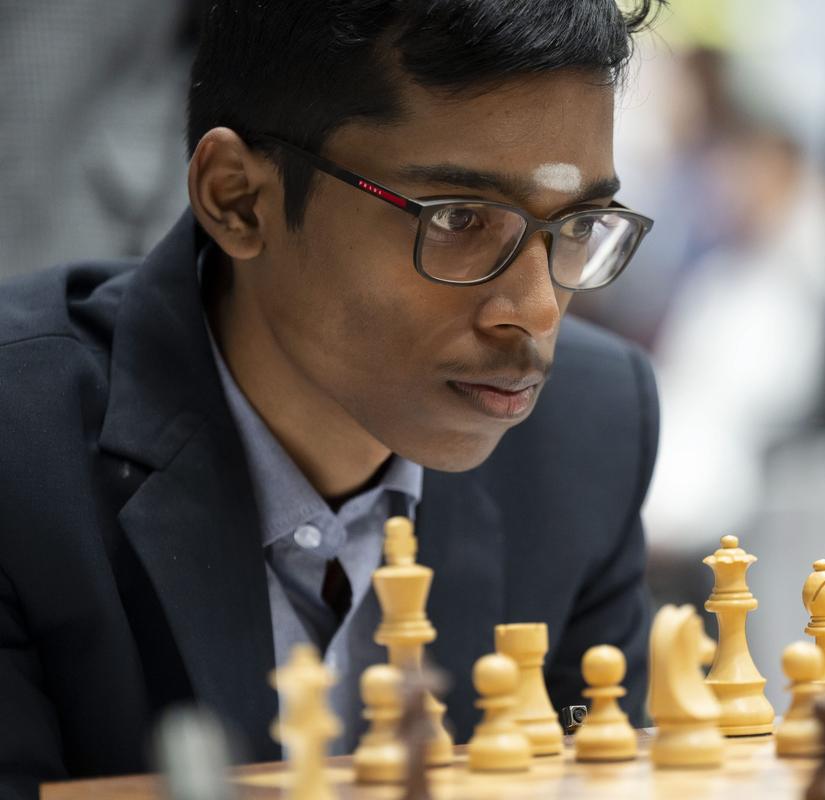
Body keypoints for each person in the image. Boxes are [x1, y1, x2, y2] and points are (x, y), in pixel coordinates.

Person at [0, 0, 662, 792]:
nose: (536, 311)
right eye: (458, 218)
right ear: (238, 199)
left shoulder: (594, 429)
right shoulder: (19, 448)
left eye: (580, 223)